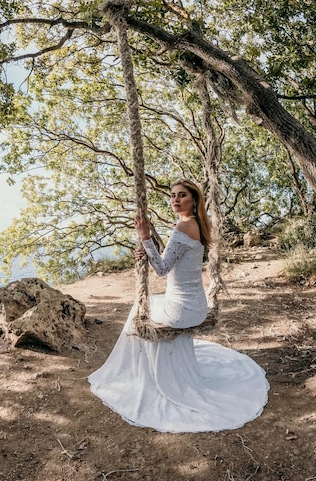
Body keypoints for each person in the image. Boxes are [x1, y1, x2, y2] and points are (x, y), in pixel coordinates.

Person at [88, 179, 269, 433]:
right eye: (172, 195)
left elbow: (162, 270)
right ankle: (163, 373)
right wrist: (147, 249)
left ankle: (148, 379)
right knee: (151, 304)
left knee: (137, 315)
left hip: (182, 310)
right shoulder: (195, 224)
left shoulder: (183, 227)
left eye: (181, 195)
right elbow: (168, 261)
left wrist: (145, 238)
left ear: (193, 200)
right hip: (195, 306)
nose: (175, 199)